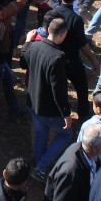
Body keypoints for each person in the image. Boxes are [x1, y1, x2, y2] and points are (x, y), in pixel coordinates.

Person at [21, 17, 73, 181]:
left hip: (33, 102)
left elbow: (23, 62)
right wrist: (66, 113)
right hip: (49, 108)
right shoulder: (57, 57)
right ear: (63, 34)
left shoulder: (34, 46)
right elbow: (58, 90)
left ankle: (38, 161)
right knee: (66, 135)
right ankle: (41, 167)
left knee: (41, 133)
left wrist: (27, 43)